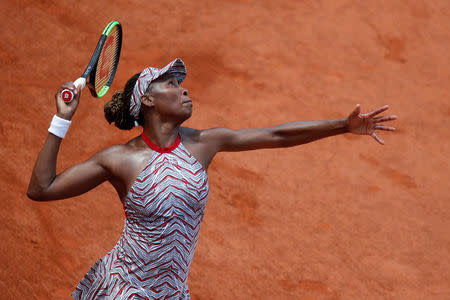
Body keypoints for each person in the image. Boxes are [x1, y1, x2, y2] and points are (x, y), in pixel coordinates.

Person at [27, 58, 397, 299]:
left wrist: (342, 126)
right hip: (126, 288)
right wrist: (62, 120)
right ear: (149, 103)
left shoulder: (203, 143)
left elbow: (277, 135)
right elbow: (41, 189)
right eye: (170, 84)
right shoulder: (119, 159)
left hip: (172, 292)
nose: (184, 88)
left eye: (181, 82)